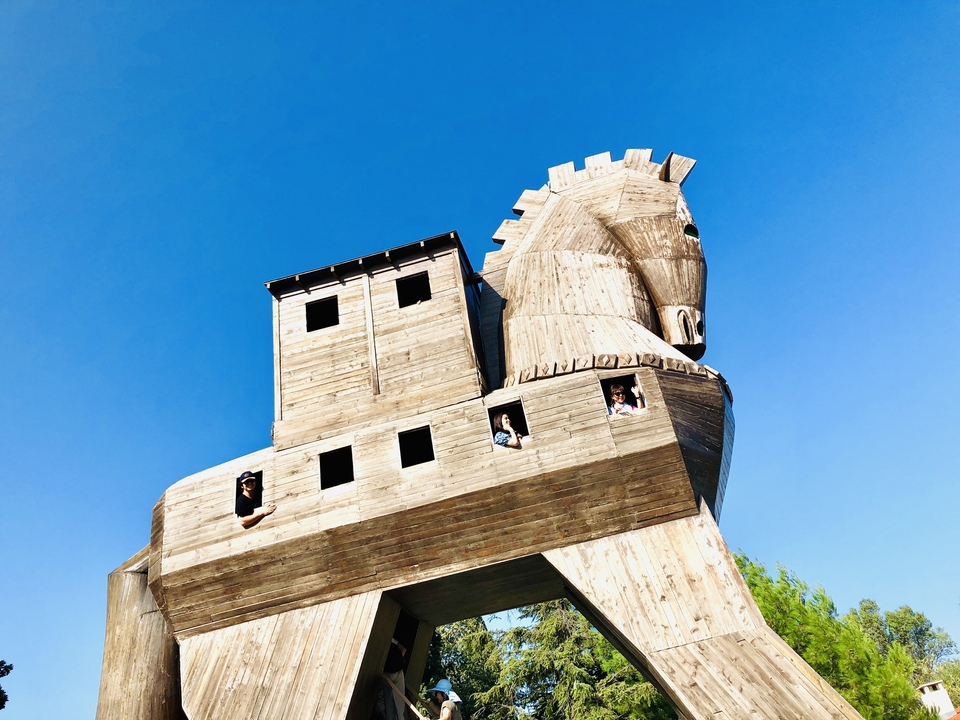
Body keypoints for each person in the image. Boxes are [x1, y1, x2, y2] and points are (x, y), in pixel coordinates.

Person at [383, 638, 407, 720]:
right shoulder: (393, 643)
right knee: (400, 699)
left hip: (388, 673)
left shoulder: (383, 644)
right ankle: (400, 718)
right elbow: (404, 650)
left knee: (388, 698)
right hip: (399, 670)